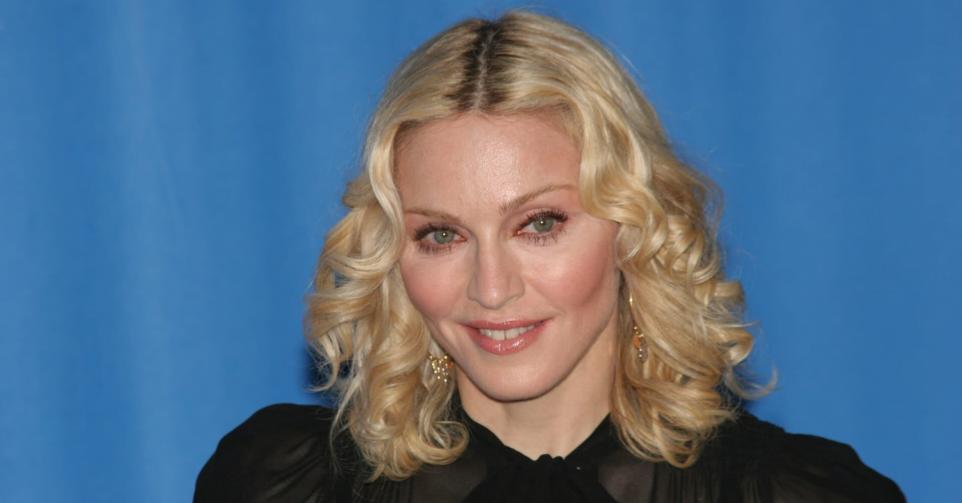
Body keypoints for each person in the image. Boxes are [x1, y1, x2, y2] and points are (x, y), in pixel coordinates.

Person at [194, 10, 903, 502]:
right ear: (394, 257)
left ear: (632, 228)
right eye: (441, 234)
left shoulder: (798, 493)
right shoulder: (281, 485)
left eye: (538, 224)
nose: (491, 287)